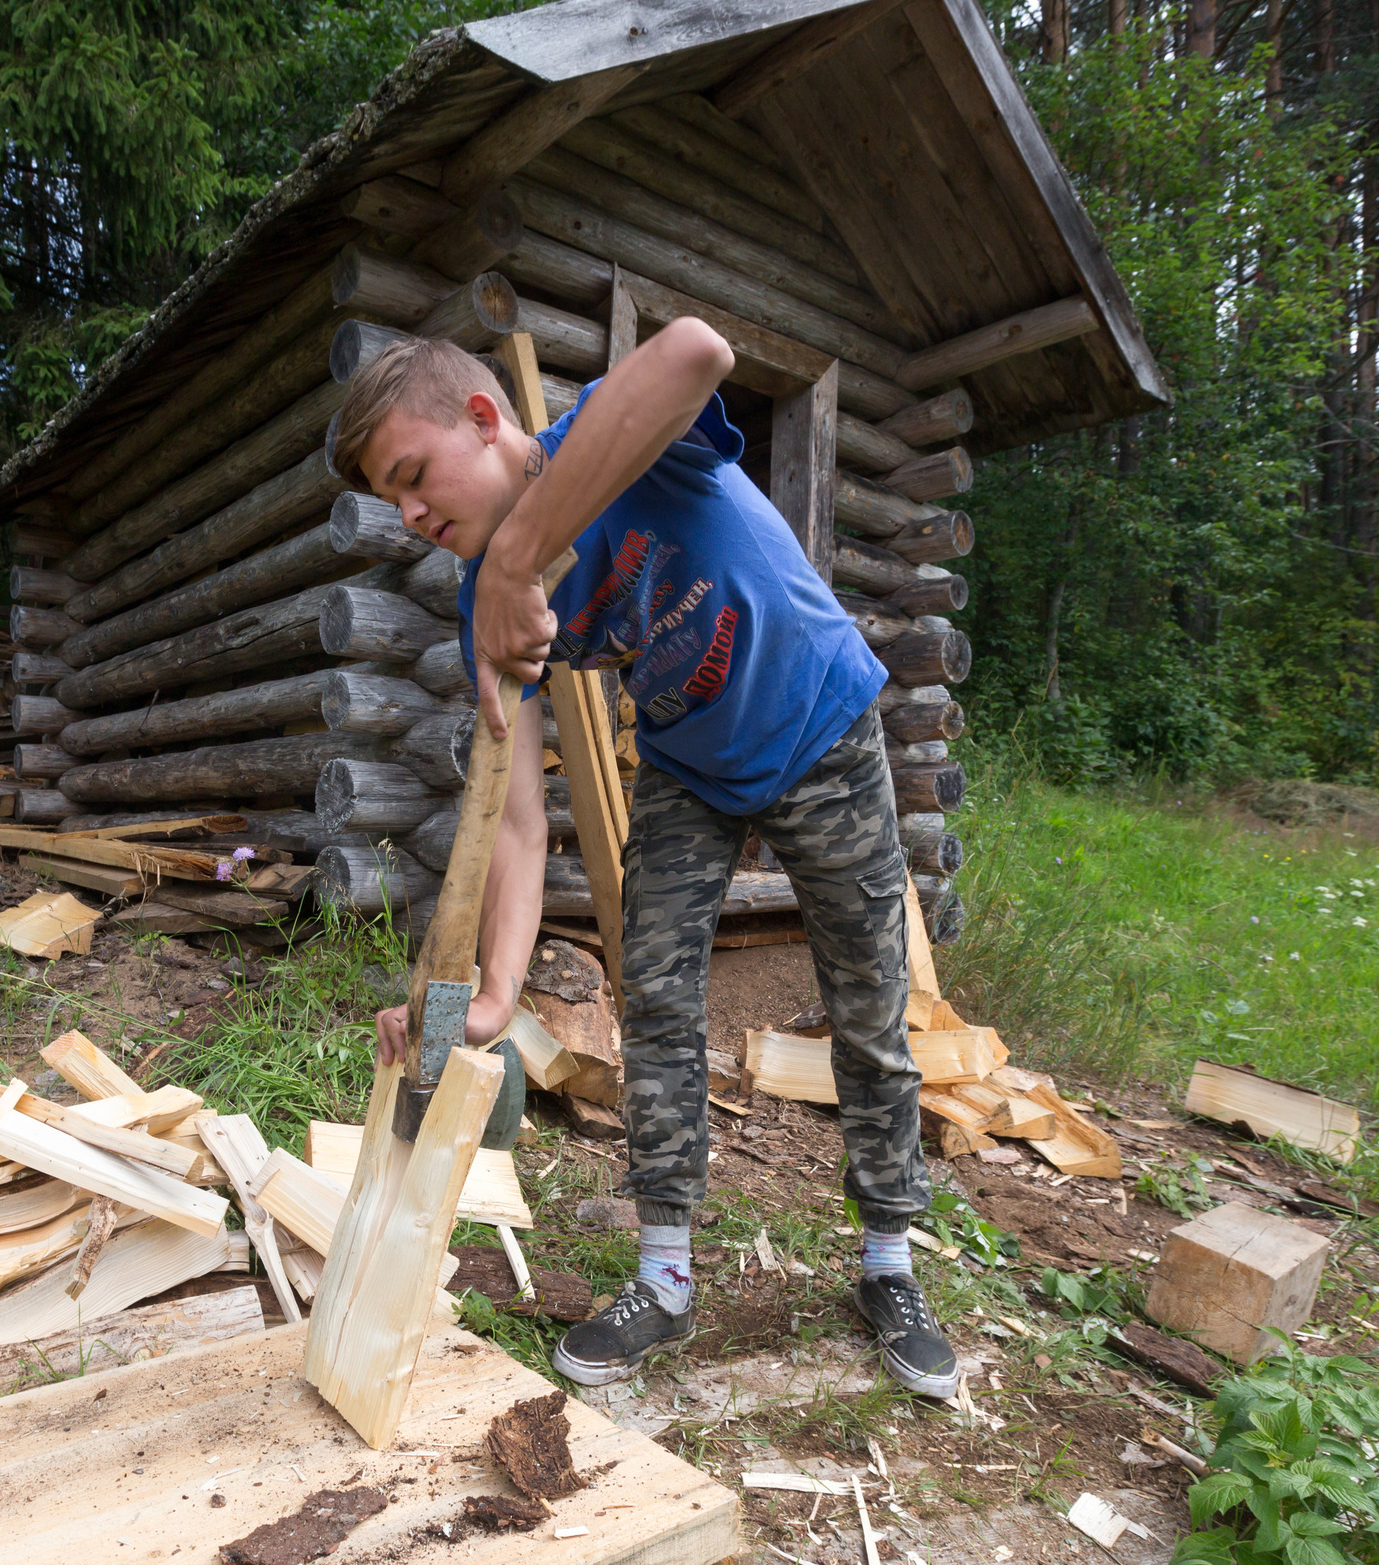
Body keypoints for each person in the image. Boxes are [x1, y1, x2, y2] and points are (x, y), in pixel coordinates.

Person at [334, 324, 957, 1399]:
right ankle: (665, 1277)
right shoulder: (481, 598)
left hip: (821, 725)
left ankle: (888, 1266)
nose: (410, 515)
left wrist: (520, 556)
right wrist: (489, 995)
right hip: (688, 767)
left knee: (867, 999)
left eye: (412, 476)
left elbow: (697, 354)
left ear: (484, 420)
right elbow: (514, 820)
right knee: (657, 1001)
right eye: (393, 501)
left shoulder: (611, 444)